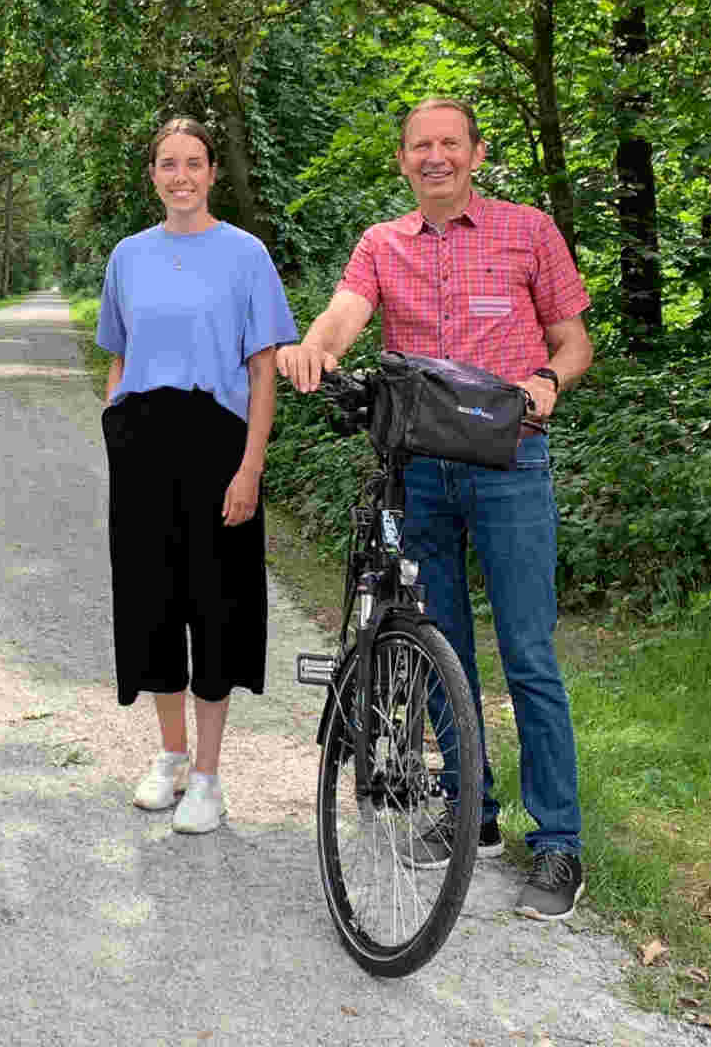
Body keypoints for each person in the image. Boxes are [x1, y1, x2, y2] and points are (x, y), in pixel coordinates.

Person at [276, 98, 594, 920]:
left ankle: (559, 845)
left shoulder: (528, 232)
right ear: (402, 161)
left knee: (527, 651)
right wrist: (319, 347)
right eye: (421, 146)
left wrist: (549, 382)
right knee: (437, 646)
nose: (435, 157)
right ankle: (469, 815)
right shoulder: (382, 245)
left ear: (476, 154)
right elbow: (346, 312)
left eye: (450, 143)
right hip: (419, 470)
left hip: (510, 461)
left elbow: (574, 338)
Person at [97, 116, 299, 835]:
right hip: (144, 444)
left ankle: (210, 777)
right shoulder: (128, 256)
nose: (180, 175)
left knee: (217, 609)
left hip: (219, 444)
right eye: (166, 163)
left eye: (193, 163)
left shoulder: (245, 255)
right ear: (152, 174)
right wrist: (115, 415)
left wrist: (251, 466)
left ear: (212, 172)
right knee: (153, 604)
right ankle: (170, 755)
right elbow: (117, 351)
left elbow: (263, 369)